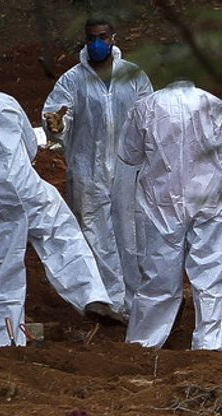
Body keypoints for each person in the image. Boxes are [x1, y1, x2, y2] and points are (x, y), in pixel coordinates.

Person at [0, 58, 119, 348]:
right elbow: (30, 145)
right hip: (30, 189)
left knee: (2, 270)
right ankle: (91, 296)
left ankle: (4, 341)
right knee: (64, 236)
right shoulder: (6, 101)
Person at [42, 16, 153, 318]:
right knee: (95, 235)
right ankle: (108, 301)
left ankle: (137, 302)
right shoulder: (72, 80)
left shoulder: (133, 76)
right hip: (88, 172)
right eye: (91, 38)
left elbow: (150, 117)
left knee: (130, 235)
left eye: (102, 36)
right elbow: (56, 116)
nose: (96, 43)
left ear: (114, 38)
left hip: (127, 171)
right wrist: (56, 124)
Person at [118, 80, 222, 350]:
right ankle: (208, 344)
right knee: (210, 273)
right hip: (209, 200)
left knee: (158, 275)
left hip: (161, 202)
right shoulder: (214, 105)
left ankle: (144, 343)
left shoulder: (145, 107)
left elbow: (129, 154)